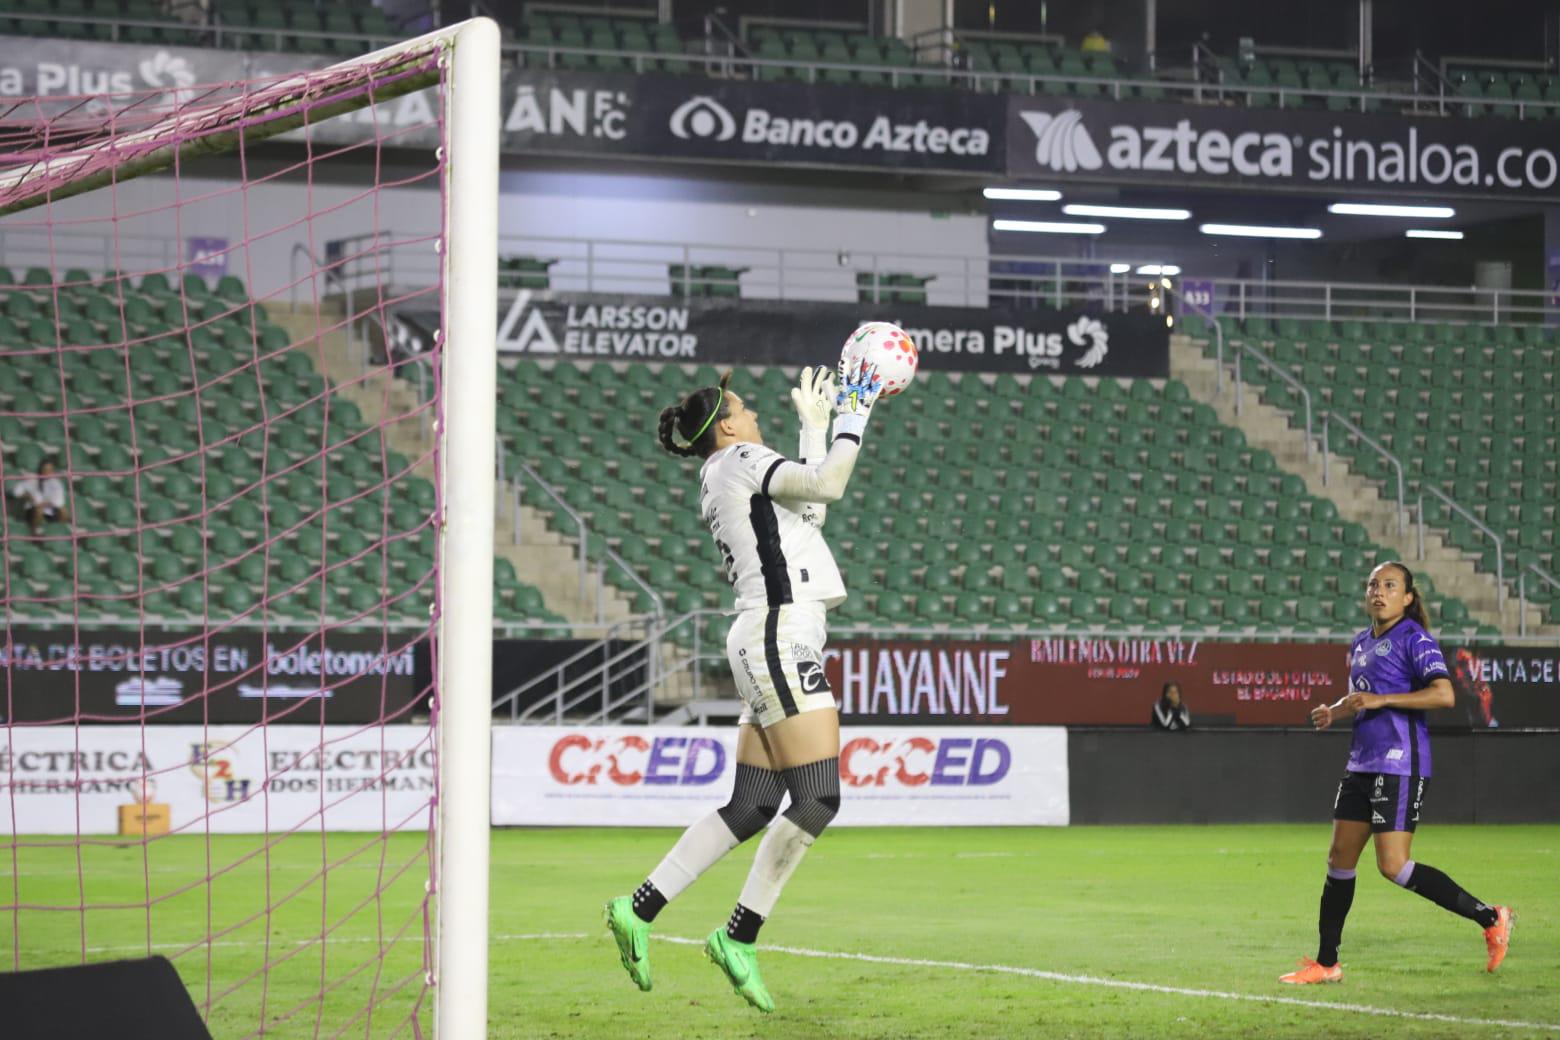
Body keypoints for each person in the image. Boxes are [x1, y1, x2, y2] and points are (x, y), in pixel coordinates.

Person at [604, 359, 881, 1013]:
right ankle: (738, 936)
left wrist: (813, 434)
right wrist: (852, 418)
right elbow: (831, 487)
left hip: (769, 634)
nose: (755, 413)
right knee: (817, 799)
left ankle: (637, 908)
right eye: (746, 408)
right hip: (780, 634)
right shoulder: (741, 459)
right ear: (727, 426)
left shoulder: (725, 469)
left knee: (755, 805)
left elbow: (808, 511)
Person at [1279, 561, 1513, 985]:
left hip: (1400, 762)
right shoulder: (1361, 642)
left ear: (1407, 598)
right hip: (1361, 762)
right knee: (1339, 859)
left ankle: (1491, 916)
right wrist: (1334, 711)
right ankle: (1327, 963)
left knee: (1394, 866)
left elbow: (1443, 694)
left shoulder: (1415, 638)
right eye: (1372, 584)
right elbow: (1360, 697)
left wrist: (1383, 699)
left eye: (1389, 585)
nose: (1378, 591)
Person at [8, 458, 69, 536]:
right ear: (40, 470)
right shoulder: (31, 479)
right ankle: (34, 533)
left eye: (50, 470)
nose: (47, 473)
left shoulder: (56, 483)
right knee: (39, 510)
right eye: (45, 470)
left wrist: (44, 503)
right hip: (32, 510)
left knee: (63, 510)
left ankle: (59, 531)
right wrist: (27, 496)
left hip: (49, 510)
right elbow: (15, 492)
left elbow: (59, 502)